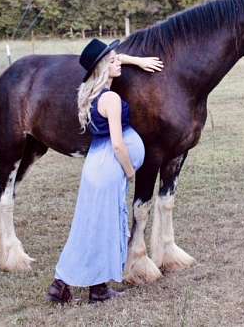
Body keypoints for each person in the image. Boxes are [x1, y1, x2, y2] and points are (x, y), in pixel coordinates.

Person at [46, 38, 163, 304]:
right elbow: (119, 145)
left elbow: (118, 58)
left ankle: (94, 289)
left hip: (96, 165)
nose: (117, 61)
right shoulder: (109, 97)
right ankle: (65, 284)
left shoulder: (92, 93)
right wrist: (130, 170)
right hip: (109, 166)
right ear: (101, 68)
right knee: (98, 228)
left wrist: (138, 61)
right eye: (111, 60)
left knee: (92, 226)